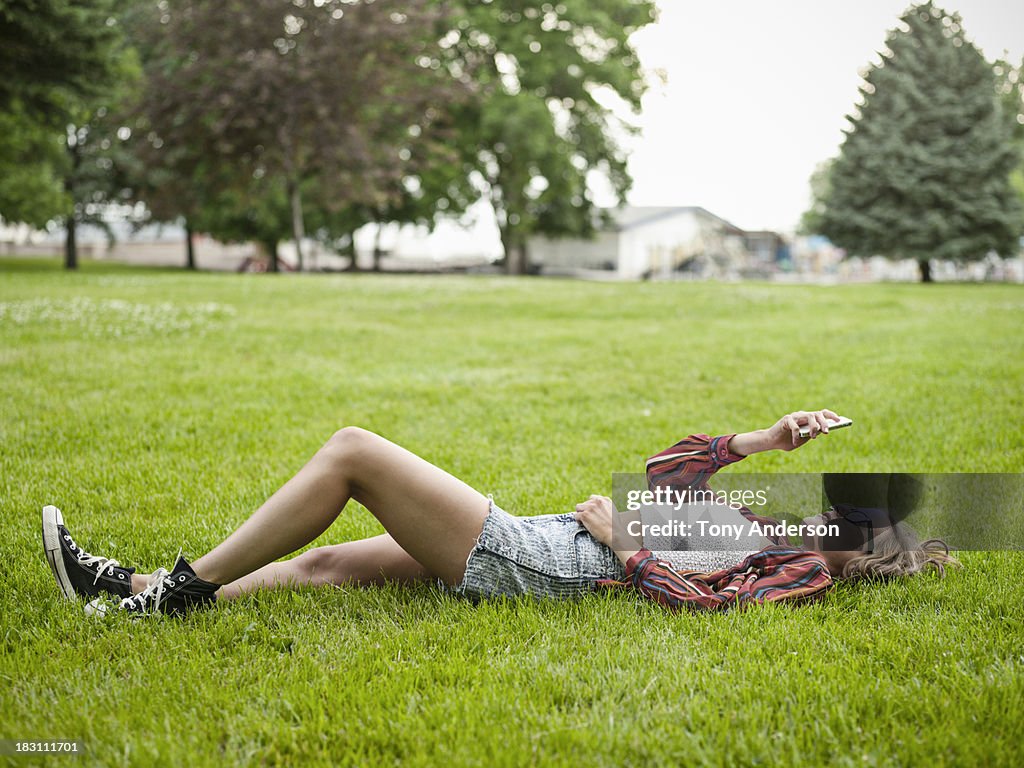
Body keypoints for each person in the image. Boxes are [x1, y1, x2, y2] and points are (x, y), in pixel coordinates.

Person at [41, 409, 957, 616]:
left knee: (354, 453)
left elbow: (702, 605)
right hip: (550, 540)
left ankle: (180, 592)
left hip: (549, 560)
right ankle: (132, 589)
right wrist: (762, 443)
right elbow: (664, 468)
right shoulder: (769, 521)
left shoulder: (799, 571)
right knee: (323, 565)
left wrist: (625, 543)